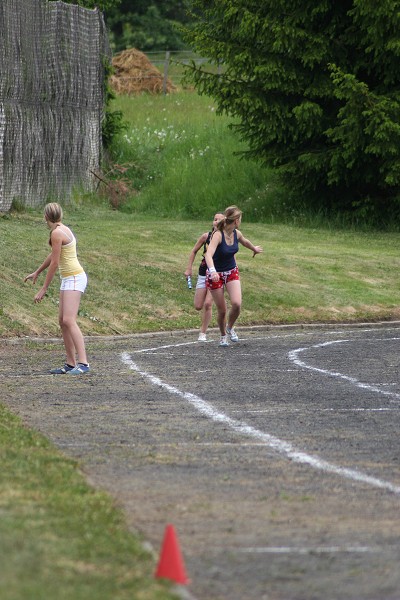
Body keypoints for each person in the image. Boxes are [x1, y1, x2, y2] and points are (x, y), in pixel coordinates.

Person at [24, 202, 90, 375]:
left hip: (74, 277)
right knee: (62, 321)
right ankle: (70, 363)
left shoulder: (57, 233)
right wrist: (37, 271)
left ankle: (83, 363)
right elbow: (54, 254)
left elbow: (55, 263)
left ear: (46, 217)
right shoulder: (61, 229)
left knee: (69, 320)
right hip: (69, 278)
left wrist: (43, 288)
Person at [204, 205, 262, 346]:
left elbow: (245, 241)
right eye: (240, 219)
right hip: (215, 274)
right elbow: (208, 254)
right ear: (236, 220)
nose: (240, 221)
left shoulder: (237, 233)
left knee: (236, 304)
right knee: (222, 310)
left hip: (231, 271)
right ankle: (223, 335)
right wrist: (212, 271)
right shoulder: (218, 235)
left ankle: (230, 327)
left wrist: (254, 248)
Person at [185, 212, 225, 341]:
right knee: (198, 305)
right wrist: (189, 268)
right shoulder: (205, 237)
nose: (216, 222)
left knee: (208, 304)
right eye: (215, 219)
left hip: (217, 274)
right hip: (203, 272)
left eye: (220, 220)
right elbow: (194, 251)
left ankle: (203, 333)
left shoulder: (226, 238)